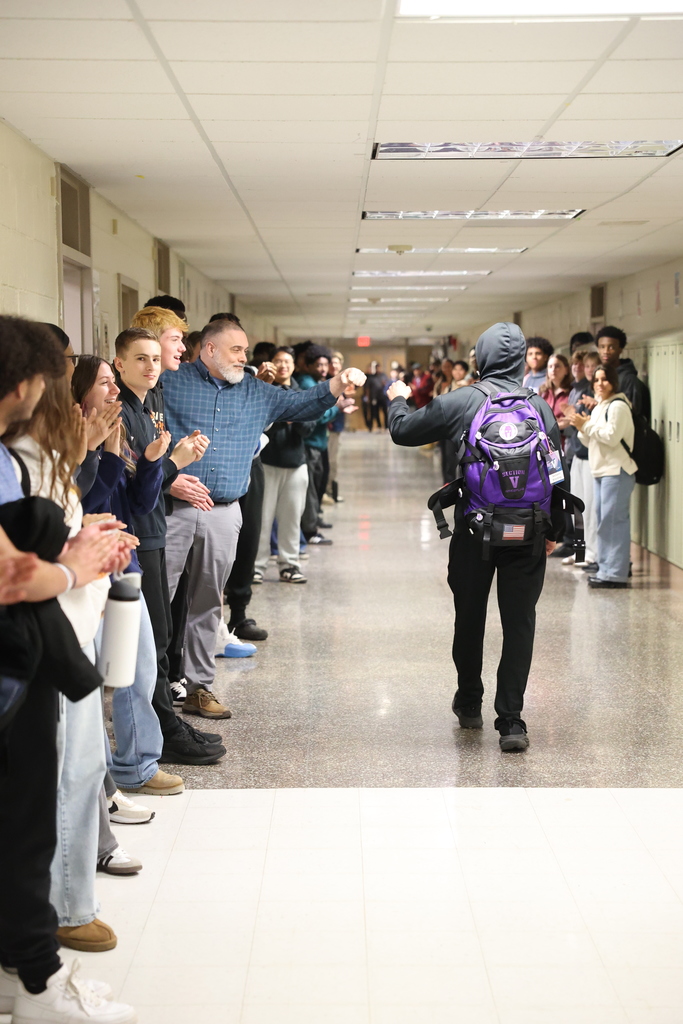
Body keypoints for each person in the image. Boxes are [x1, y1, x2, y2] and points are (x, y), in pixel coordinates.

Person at [0, 315, 136, 1024]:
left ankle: (20, 975)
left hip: (26, 661)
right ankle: (38, 989)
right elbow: (9, 575)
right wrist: (71, 563)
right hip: (15, 670)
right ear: (26, 385)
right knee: (25, 832)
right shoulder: (8, 458)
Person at [160, 318, 366, 718]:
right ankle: (150, 691)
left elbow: (302, 405)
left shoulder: (256, 392)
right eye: (236, 349)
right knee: (158, 602)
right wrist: (168, 480)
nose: (244, 357)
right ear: (209, 350)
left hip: (223, 511)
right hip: (173, 508)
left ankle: (200, 688)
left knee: (207, 602)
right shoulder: (173, 382)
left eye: (244, 349)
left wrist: (338, 383)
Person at [387, 322, 566, 753]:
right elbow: (557, 469)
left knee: (470, 616)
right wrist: (554, 530)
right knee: (519, 622)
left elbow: (403, 431)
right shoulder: (539, 407)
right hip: (527, 529)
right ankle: (511, 722)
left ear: (480, 358)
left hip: (474, 528)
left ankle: (469, 702)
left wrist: (397, 399)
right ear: (523, 360)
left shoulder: (462, 400)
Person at [127, 308, 224, 762]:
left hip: (154, 527)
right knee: (147, 644)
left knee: (162, 636)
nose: (163, 360)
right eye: (142, 357)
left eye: (156, 355)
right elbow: (131, 482)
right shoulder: (125, 412)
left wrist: (170, 468)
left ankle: (165, 721)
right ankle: (155, 735)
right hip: (136, 535)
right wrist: (173, 467)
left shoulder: (152, 401)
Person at [569, 362, 637, 588]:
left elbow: (611, 437)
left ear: (613, 382)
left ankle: (614, 573)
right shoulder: (600, 405)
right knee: (604, 521)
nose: (599, 384)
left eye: (604, 379)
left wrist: (586, 427)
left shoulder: (618, 406)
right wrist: (581, 426)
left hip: (616, 471)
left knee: (613, 522)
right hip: (601, 470)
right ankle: (607, 567)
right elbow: (591, 441)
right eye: (596, 380)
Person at [254, 347, 314, 585]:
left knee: (291, 519)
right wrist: (281, 419)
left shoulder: (302, 393)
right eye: (278, 361)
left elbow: (308, 428)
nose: (282, 365)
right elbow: (258, 423)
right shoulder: (265, 392)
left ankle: (289, 564)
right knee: (263, 518)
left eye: (287, 361)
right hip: (267, 464)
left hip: (296, 465)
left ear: (293, 366)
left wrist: (294, 418)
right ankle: (256, 566)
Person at [295, 344, 340, 546]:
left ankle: (313, 522)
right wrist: (336, 407)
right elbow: (315, 414)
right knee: (311, 489)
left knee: (317, 485)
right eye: (319, 364)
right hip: (310, 443)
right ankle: (309, 530)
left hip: (318, 442)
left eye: (325, 364)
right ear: (308, 364)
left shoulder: (316, 381)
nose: (323, 368)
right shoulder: (307, 383)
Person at [566, 352, 601, 569]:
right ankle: (579, 551)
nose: (588, 369)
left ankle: (592, 553)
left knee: (590, 509)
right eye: (586, 366)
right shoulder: (581, 392)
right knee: (576, 508)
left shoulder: (598, 397)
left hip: (591, 458)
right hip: (577, 455)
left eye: (592, 366)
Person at [595, 325, 651, 421]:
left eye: (611, 347)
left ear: (620, 349)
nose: (606, 351)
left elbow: (632, 416)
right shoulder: (600, 375)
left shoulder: (629, 380)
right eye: (602, 347)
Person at [325, 351, 355, 504]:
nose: (334, 365)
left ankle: (330, 491)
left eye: (337, 363)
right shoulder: (326, 382)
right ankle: (327, 492)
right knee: (330, 462)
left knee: (333, 462)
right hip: (327, 426)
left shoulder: (342, 382)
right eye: (332, 363)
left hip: (336, 425)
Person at [363, 361, 388, 431]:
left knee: (385, 412)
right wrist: (367, 397)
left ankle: (386, 426)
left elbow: (388, 384)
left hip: (383, 397)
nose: (378, 369)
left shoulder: (383, 376)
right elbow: (367, 388)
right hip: (374, 397)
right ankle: (379, 426)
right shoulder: (371, 377)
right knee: (375, 413)